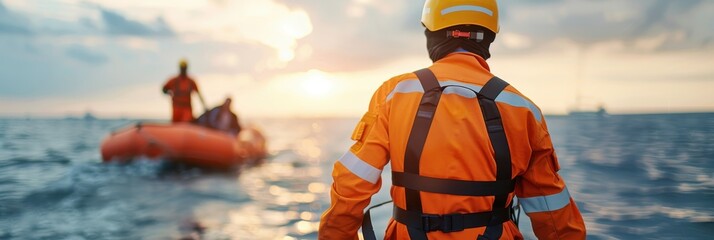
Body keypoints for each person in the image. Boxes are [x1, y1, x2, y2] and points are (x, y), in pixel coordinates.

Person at [318, 0, 586, 239]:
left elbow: (352, 182)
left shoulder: (395, 93)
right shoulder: (523, 109)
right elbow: (551, 208)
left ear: (432, 35)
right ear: (488, 39)